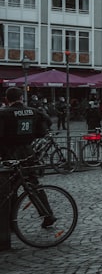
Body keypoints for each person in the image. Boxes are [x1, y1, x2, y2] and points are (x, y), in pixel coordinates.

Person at [0, 86, 56, 227]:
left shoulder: (4, 113)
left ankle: (9, 222)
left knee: (9, 189)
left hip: (10, 153)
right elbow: (46, 125)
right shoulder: (33, 111)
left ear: (7, 99)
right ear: (21, 98)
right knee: (33, 184)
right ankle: (47, 214)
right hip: (28, 152)